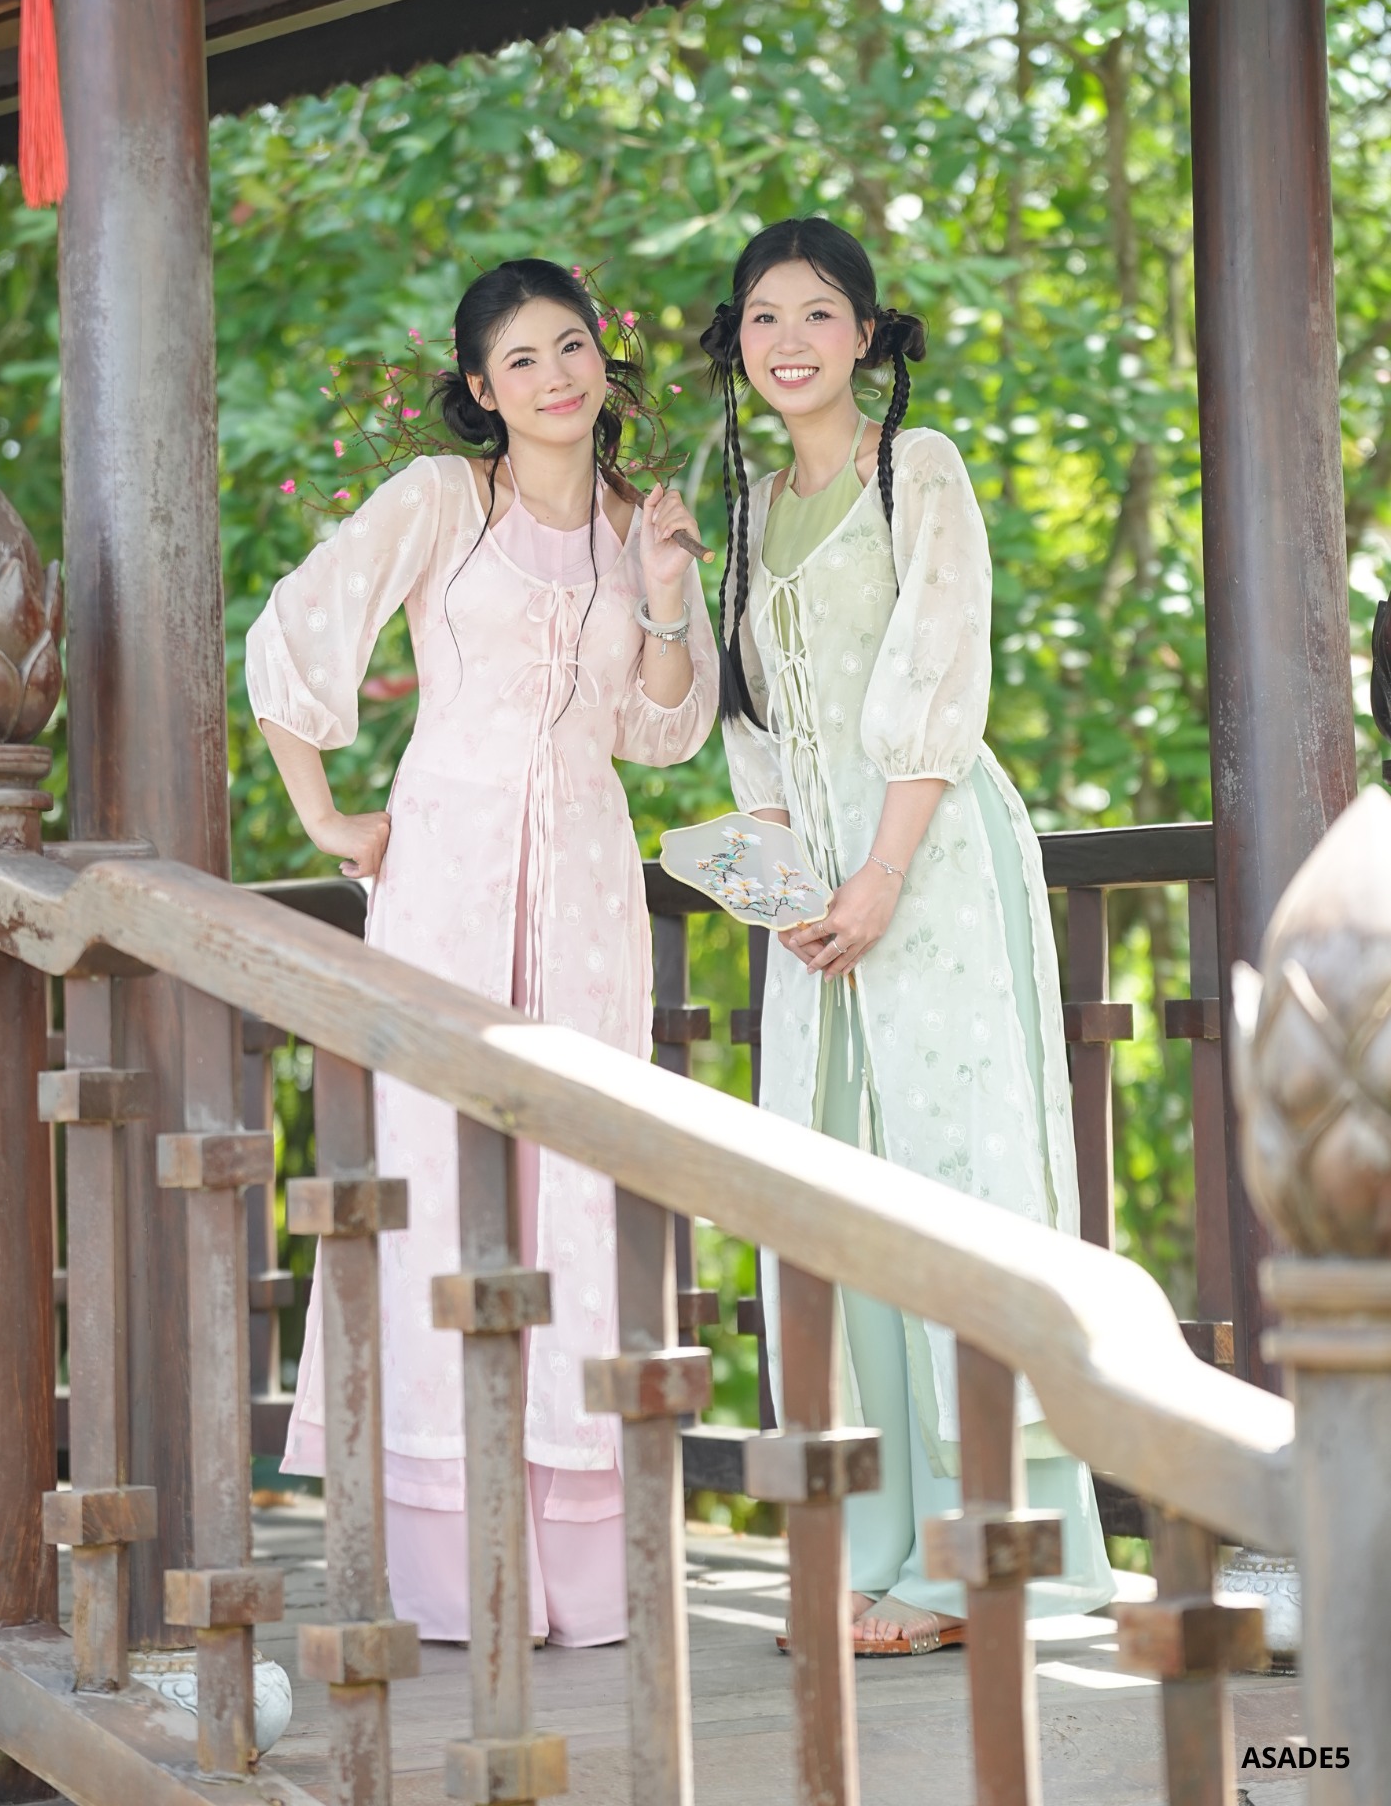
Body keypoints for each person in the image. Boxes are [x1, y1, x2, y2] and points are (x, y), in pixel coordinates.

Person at [247, 258, 716, 1645]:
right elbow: (292, 631)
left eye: (570, 347)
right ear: (480, 388)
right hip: (444, 880)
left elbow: (662, 732)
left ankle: (580, 1566)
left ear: (602, 359)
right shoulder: (438, 501)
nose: (554, 376)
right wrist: (325, 816)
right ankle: (453, 1566)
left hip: (587, 889)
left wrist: (668, 594)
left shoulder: (638, 518)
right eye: (520, 360)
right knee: (442, 1182)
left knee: (578, 1185)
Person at [704, 215, 1113, 1655]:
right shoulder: (743, 507)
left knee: (957, 1176)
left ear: (866, 335)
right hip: (816, 898)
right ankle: (880, 1544)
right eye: (764, 317)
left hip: (929, 867)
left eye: (820, 312)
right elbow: (751, 732)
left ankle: (993, 1560)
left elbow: (942, 674)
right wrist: (783, 887)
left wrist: (879, 874)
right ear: (736, 343)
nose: (790, 340)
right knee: (836, 1196)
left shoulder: (913, 468)